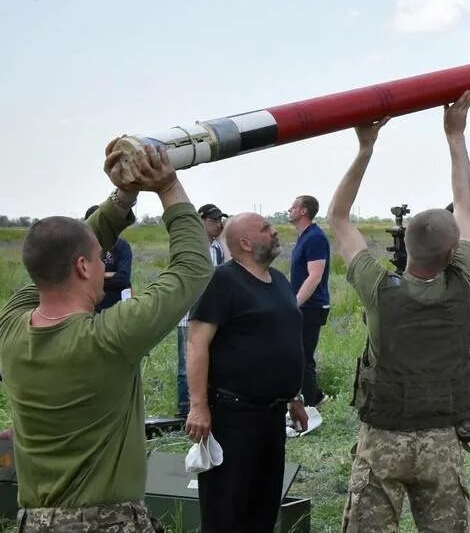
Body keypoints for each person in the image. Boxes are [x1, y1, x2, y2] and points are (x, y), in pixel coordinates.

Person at [0, 141, 212, 532]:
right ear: (83, 267)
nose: (104, 268)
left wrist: (123, 195)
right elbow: (194, 267)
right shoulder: (110, 338)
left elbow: (65, 247)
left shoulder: (11, 328)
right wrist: (167, 187)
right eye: (99, 260)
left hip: (34, 522)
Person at [329, 89, 470, 533]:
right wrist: (456, 135)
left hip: (382, 441)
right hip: (441, 441)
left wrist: (365, 148)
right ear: (453, 252)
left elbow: (339, 217)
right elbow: (465, 203)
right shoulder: (463, 285)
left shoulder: (379, 290)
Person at [185, 212, 308, 533]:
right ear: (245, 242)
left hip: (272, 416)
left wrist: (294, 396)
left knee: (263, 508)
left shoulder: (278, 281)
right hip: (233, 415)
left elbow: (284, 340)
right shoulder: (223, 281)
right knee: (227, 510)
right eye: (266, 229)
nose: (275, 232)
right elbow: (197, 342)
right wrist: (198, 405)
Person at [176, 203, 229, 418]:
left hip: (211, 314)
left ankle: (207, 406)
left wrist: (223, 239)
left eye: (220, 221)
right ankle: (184, 409)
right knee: (186, 363)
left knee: (210, 360)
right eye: (213, 221)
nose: (218, 225)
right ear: (200, 221)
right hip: (190, 314)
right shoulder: (191, 247)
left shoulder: (218, 247)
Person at [286, 194, 331, 408]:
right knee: (297, 355)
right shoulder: (304, 236)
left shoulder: (315, 237)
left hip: (311, 306)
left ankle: (310, 405)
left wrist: (295, 303)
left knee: (304, 357)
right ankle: (314, 396)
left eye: (293, 207)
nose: (289, 209)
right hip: (304, 305)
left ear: (303, 211)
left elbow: (315, 276)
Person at [84, 204, 133, 311]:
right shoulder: (82, 249)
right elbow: (79, 282)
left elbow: (123, 279)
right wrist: (111, 274)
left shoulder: (122, 246)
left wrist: (94, 277)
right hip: (92, 308)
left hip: (120, 307)